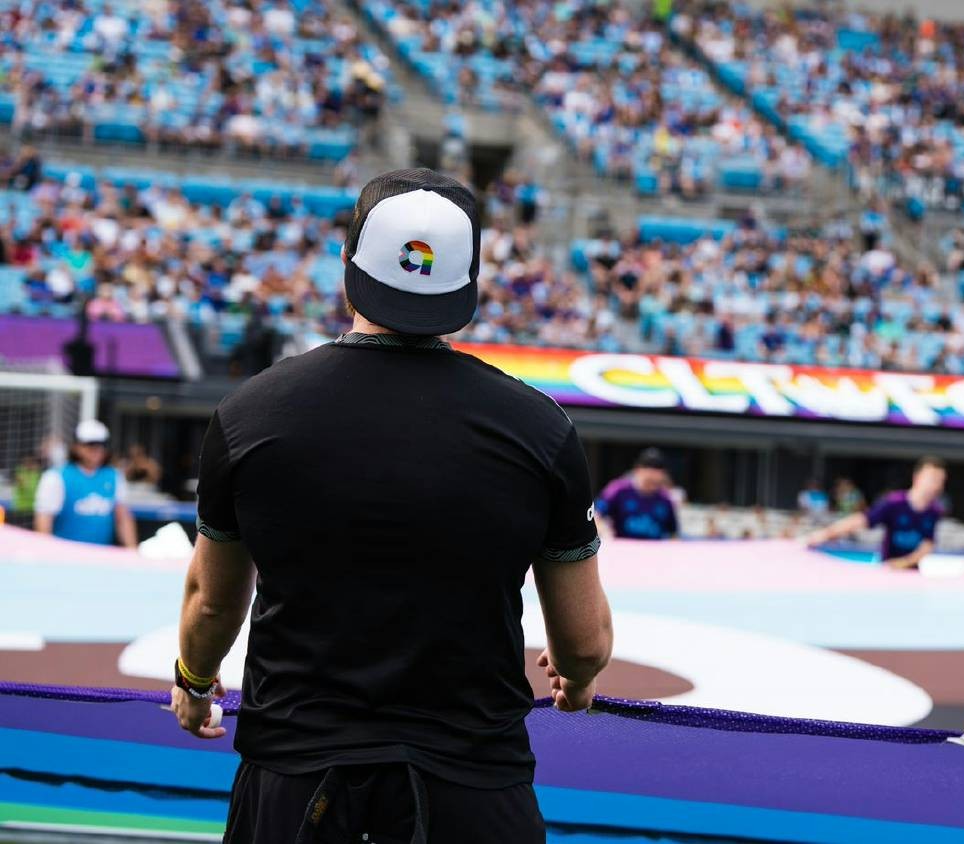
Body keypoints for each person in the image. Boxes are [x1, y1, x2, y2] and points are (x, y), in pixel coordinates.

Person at [168, 169, 613, 843]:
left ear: (350, 268)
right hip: (472, 781)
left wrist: (195, 680)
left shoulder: (251, 413)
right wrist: (576, 680)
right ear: (467, 288)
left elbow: (212, 600)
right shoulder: (539, 429)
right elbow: (583, 641)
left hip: (296, 774)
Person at [804, 457, 946, 569]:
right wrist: (824, 534)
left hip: (911, 574)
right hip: (887, 569)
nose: (936, 485)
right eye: (933, 479)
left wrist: (904, 563)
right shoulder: (894, 502)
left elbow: (927, 545)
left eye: (941, 481)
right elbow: (861, 520)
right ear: (917, 477)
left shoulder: (935, 511)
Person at [33, 420, 137, 548]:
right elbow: (44, 521)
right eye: (90, 444)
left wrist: (132, 550)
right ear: (76, 446)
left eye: (102, 444)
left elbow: (123, 517)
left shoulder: (114, 476)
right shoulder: (56, 477)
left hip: (101, 555)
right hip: (64, 557)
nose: (97, 449)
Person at [595, 448, 679, 540]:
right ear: (638, 470)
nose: (653, 485)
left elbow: (673, 533)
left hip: (654, 551)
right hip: (622, 549)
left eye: (657, 481)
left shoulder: (665, 499)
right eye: (649, 480)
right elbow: (596, 516)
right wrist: (605, 532)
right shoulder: (619, 490)